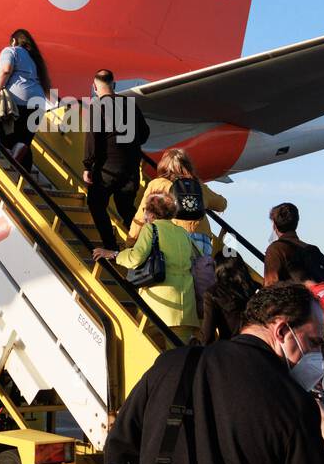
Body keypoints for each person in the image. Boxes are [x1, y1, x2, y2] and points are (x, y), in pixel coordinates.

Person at [103, 281, 324, 464]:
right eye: (313, 342)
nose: (317, 356)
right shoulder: (293, 402)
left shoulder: (170, 366)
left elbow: (118, 454)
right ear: (282, 330)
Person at [94, 192, 198, 343]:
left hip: (159, 306)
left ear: (150, 212)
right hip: (186, 307)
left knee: (145, 345)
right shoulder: (183, 233)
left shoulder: (151, 229)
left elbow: (136, 257)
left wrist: (113, 254)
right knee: (179, 356)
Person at [82, 69, 149, 251]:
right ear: (115, 85)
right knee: (126, 208)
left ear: (95, 87)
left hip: (107, 169)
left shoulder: (97, 107)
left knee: (96, 204)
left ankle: (111, 247)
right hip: (131, 170)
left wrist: (87, 165)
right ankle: (146, 246)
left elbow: (92, 139)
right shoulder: (131, 105)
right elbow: (144, 134)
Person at [127, 148, 226, 250]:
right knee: (202, 266)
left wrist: (131, 241)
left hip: (172, 236)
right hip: (201, 238)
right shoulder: (197, 185)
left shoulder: (157, 184)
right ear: (187, 165)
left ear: (163, 165)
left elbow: (142, 215)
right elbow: (221, 204)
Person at [0, 28, 49, 167]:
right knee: (23, 139)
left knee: (0, 130)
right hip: (39, 103)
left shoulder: (11, 50)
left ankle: (6, 152)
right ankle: (19, 150)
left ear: (14, 40)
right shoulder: (36, 58)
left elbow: (5, 70)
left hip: (18, 100)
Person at [263, 202, 324, 286]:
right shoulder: (313, 250)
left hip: (291, 298)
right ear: (296, 222)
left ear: (274, 226)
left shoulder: (275, 249)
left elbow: (270, 286)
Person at [198, 251, 257, 344]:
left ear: (218, 267)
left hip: (231, 348)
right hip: (259, 347)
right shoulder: (257, 288)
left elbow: (207, 335)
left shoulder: (213, 293)